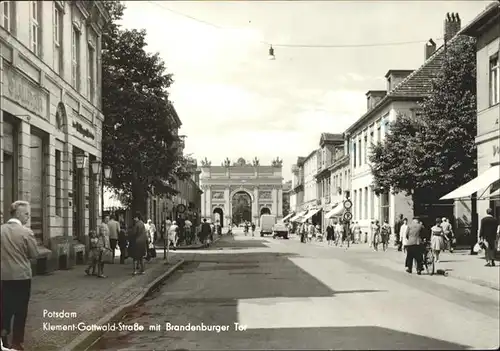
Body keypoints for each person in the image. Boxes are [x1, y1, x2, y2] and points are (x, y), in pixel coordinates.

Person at [1, 201, 39, 350]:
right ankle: (17, 342)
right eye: (26, 214)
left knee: (4, 308)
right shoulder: (26, 232)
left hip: (3, 276)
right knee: (21, 310)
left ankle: (3, 339)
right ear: (17, 214)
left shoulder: (1, 230)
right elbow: (34, 254)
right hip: (22, 277)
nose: (28, 217)